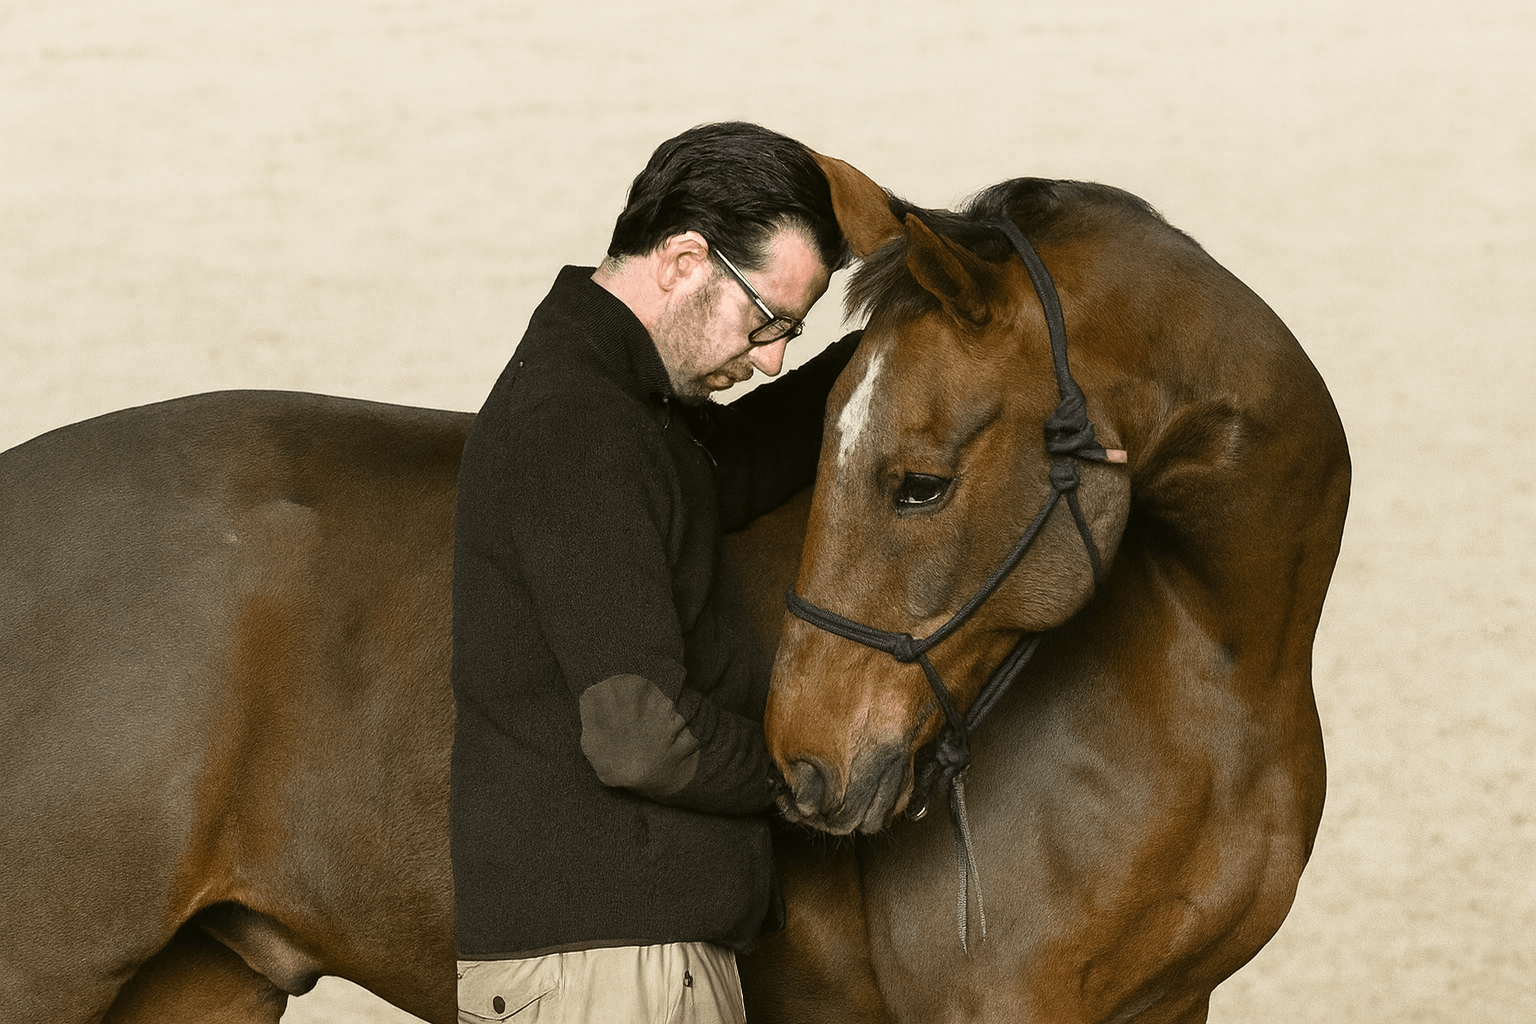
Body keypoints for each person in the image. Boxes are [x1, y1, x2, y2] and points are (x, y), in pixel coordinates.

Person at [449, 122, 860, 1023]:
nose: (771, 359)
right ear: (683, 261)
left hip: (617, 963)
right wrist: (802, 775)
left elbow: (729, 470)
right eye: (767, 323)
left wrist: (890, 361)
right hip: (612, 972)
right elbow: (641, 734)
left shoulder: (623, 407)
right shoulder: (579, 424)